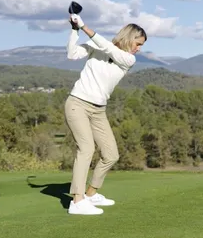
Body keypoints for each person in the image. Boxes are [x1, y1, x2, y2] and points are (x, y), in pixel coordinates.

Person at [63, 12, 147, 215]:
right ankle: (77, 201)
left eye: (141, 45)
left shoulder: (128, 59)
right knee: (86, 148)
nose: (139, 48)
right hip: (77, 104)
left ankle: (90, 194)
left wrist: (84, 26)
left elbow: (109, 48)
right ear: (128, 37)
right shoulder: (97, 46)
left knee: (111, 155)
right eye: (138, 43)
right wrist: (75, 30)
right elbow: (72, 54)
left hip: (98, 110)